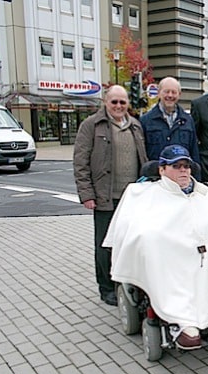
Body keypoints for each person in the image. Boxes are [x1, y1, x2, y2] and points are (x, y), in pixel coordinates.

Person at [103, 145, 208, 350]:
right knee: (159, 245)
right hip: (172, 256)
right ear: (162, 169)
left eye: (187, 166)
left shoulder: (202, 192)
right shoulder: (144, 193)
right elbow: (136, 226)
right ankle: (182, 321)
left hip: (206, 253)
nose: (183, 170)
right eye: (177, 166)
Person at [73, 85, 148, 306]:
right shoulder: (91, 126)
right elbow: (80, 162)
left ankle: (123, 282)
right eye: (114, 102)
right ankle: (106, 287)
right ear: (106, 102)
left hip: (133, 198)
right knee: (105, 245)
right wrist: (87, 194)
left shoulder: (135, 125)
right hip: (106, 196)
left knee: (129, 243)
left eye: (122, 102)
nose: (118, 106)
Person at [140, 77, 200, 168]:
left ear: (179, 95)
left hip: (181, 175)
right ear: (159, 93)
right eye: (166, 92)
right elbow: (142, 154)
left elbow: (194, 153)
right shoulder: (146, 121)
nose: (170, 95)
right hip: (156, 177)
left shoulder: (187, 121)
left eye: (174, 92)